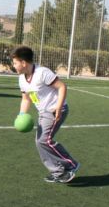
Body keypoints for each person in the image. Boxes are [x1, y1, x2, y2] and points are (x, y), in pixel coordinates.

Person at [12, 45, 80, 184]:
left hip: (55, 110)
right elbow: (26, 99)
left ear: (23, 63)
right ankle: (58, 172)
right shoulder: (21, 79)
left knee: (44, 140)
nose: (13, 66)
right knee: (40, 142)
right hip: (43, 112)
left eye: (15, 62)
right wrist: (21, 115)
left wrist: (58, 107)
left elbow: (62, 87)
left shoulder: (42, 73)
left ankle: (70, 165)